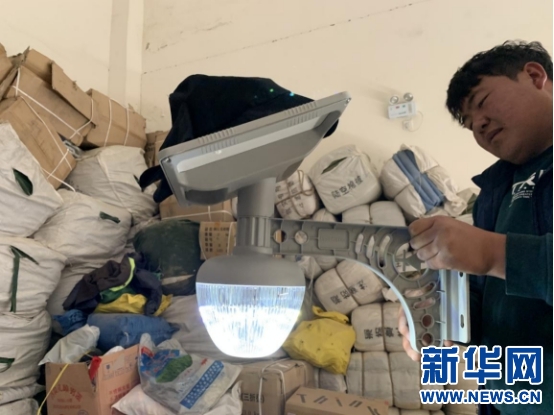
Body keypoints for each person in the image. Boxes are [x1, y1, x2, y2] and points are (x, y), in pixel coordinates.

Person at [398, 40, 553, 415]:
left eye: (483, 102)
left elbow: (492, 260)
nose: (479, 125)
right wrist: (445, 323)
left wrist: (491, 253)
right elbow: (488, 296)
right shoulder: (494, 192)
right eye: (469, 124)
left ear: (535, 76)